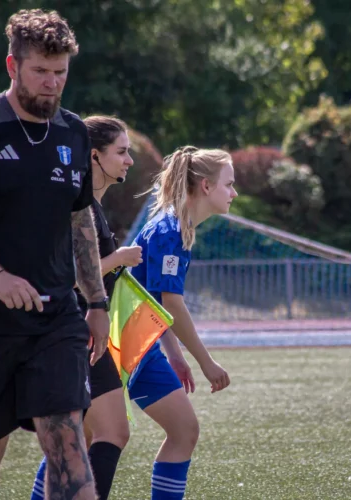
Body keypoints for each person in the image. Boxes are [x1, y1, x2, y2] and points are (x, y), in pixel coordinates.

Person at [0, 9, 110, 500]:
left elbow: (80, 222)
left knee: (69, 446)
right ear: (13, 66)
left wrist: (95, 302)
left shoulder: (74, 133)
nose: (52, 83)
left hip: (56, 319)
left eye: (60, 72)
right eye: (40, 71)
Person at [31, 115, 142, 500]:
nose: (129, 160)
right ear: (94, 155)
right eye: (121, 152)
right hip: (70, 331)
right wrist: (120, 258)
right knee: (107, 433)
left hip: (84, 334)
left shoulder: (91, 205)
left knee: (85, 437)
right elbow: (69, 274)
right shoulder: (77, 204)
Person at [127, 146, 237, 499]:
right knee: (83, 440)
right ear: (206, 186)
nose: (234, 193)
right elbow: (172, 303)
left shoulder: (178, 227)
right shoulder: (170, 231)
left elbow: (156, 301)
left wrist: (173, 354)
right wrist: (206, 362)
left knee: (184, 431)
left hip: (140, 345)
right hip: (123, 346)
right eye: (229, 184)